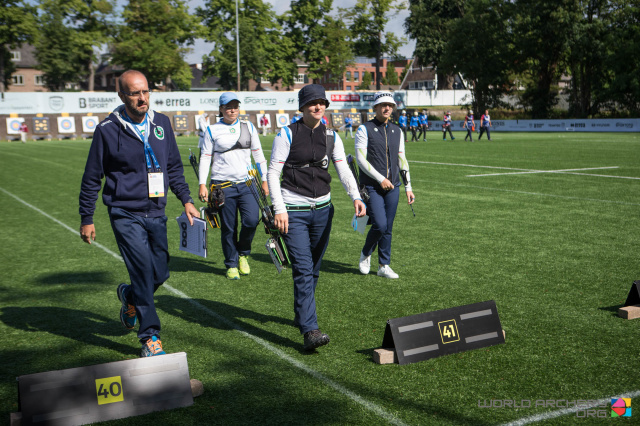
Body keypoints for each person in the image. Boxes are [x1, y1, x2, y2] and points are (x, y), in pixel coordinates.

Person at [79, 70, 199, 357]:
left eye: (145, 91)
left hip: (156, 211)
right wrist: (87, 217)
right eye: (135, 93)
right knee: (143, 272)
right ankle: (150, 337)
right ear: (122, 96)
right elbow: (92, 176)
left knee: (160, 272)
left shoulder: (162, 123)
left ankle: (130, 296)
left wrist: (186, 199)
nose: (142, 98)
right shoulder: (107, 129)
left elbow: (173, 167)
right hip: (124, 212)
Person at [267, 84, 366, 351]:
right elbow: (272, 174)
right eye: (312, 103)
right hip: (293, 211)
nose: (318, 106)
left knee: (314, 269)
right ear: (302, 107)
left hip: (323, 210)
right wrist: (279, 209)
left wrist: (355, 196)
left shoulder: (332, 135)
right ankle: (310, 329)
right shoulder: (286, 134)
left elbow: (344, 170)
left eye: (322, 102)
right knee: (302, 267)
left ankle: (302, 315)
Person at [198, 92, 269, 280]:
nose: (232, 110)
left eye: (235, 106)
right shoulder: (212, 130)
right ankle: (231, 263)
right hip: (222, 186)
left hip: (248, 184)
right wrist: (202, 185)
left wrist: (265, 179)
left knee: (251, 221)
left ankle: (243, 254)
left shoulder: (248, 127)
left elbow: (259, 155)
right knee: (229, 227)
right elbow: (205, 158)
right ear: (221, 109)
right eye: (228, 106)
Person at [356, 91, 415, 279]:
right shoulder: (364, 129)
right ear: (375, 108)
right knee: (380, 225)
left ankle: (384, 265)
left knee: (388, 227)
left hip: (394, 186)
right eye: (383, 105)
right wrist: (380, 178)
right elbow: (360, 160)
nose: (387, 108)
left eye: (390, 105)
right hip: (372, 186)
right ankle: (366, 253)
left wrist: (408, 187)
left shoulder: (397, 130)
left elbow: (402, 159)